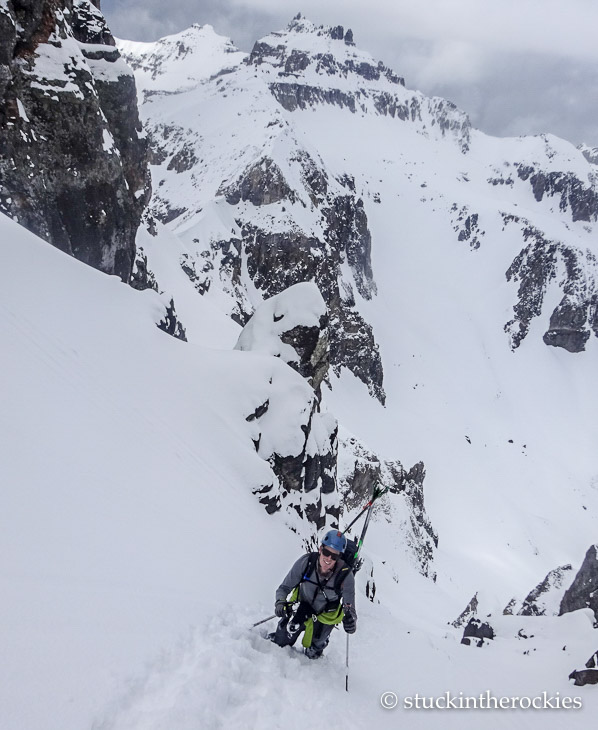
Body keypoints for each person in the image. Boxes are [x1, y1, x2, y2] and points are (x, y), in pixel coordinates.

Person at [270, 530, 357, 659]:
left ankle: (320, 642)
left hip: (325, 615)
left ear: (339, 557)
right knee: (280, 643)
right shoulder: (307, 562)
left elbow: (350, 609)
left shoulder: (345, 576)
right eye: (327, 552)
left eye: (334, 556)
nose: (329, 559)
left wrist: (351, 622)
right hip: (300, 608)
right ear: (320, 548)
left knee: (313, 653)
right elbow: (284, 588)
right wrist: (280, 602)